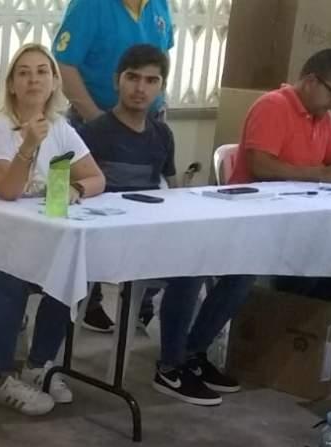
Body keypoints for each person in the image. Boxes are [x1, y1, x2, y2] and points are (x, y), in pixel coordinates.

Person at [0, 44, 106, 417]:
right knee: (6, 281)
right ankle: (0, 375)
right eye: (23, 73)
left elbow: (96, 177)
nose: (33, 79)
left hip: (23, 238)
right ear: (11, 84)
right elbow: (8, 191)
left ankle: (39, 365)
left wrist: (75, 189)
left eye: (42, 71)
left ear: (54, 81)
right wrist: (28, 145)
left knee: (72, 268)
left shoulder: (60, 127)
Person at [77, 44, 232, 406]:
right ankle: (170, 366)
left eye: (151, 80)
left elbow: (171, 190)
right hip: (108, 239)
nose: (140, 88)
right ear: (117, 81)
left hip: (153, 234)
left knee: (233, 265)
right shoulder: (94, 132)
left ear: (161, 86)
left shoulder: (162, 135)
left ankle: (193, 354)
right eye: (133, 78)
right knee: (189, 270)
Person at [54, 0, 175, 333]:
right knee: (93, 203)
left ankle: (141, 303)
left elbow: (162, 57)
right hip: (96, 121)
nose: (141, 84)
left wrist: (156, 109)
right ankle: (86, 299)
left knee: (148, 207)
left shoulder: (160, 6)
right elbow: (64, 65)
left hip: (148, 124)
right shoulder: (90, 5)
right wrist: (98, 118)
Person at [229, 48, 331, 303]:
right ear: (311, 81)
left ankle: (307, 313)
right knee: (316, 259)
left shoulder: (323, 117)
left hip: (304, 216)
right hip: (259, 215)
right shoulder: (273, 106)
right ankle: (292, 312)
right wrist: (323, 175)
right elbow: (261, 166)